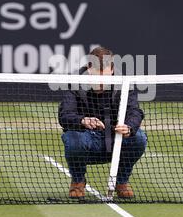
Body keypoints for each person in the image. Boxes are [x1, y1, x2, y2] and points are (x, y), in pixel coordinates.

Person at [58, 46, 147, 199]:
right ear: (89, 69)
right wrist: (83, 120)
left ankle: (121, 182)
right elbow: (64, 116)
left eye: (104, 77)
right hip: (86, 140)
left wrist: (129, 127)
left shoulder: (123, 84)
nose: (100, 82)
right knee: (73, 138)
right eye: (96, 77)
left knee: (138, 137)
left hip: (115, 140)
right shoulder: (75, 84)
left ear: (112, 70)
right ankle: (78, 182)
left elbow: (135, 111)